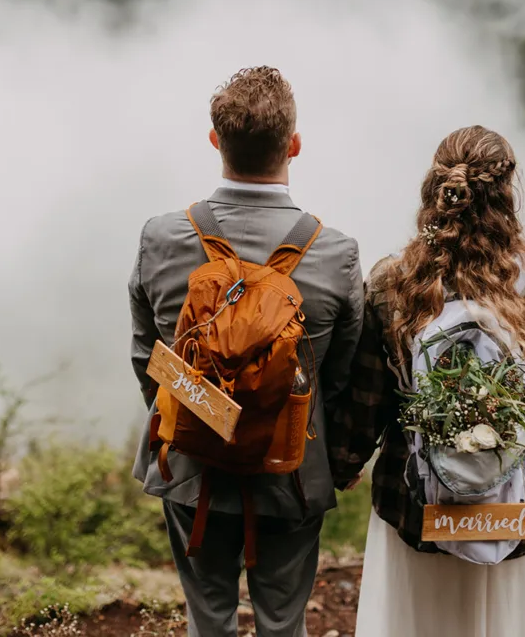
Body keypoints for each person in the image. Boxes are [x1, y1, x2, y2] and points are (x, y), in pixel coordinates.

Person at [330, 125, 525, 637]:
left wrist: (344, 465)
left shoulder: (393, 283)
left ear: (435, 190)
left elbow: (367, 401)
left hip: (418, 505)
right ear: (508, 194)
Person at [129, 66, 364, 637]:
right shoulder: (335, 254)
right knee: (284, 624)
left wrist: (196, 417)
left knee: (207, 620)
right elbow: (343, 376)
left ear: (216, 141)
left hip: (190, 465)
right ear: (294, 146)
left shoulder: (162, 237)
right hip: (291, 473)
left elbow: (146, 355)